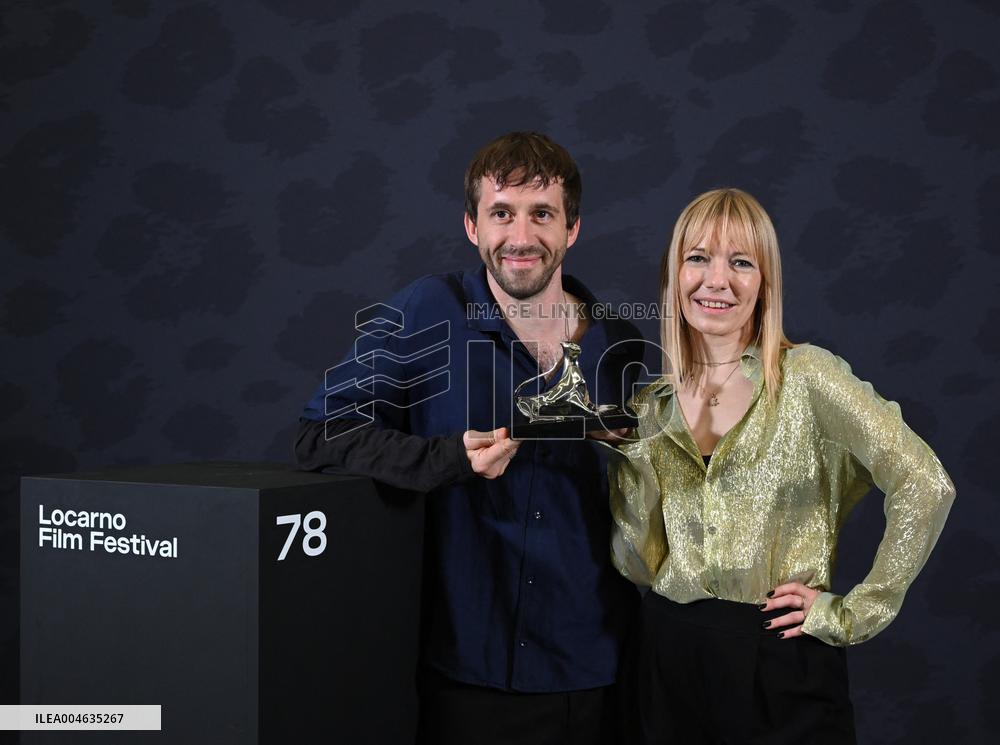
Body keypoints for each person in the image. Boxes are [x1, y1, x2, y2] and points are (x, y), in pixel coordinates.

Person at [296, 132, 644, 744]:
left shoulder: (620, 347)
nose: (521, 236)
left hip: (594, 672)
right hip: (466, 672)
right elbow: (320, 433)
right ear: (471, 226)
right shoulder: (430, 310)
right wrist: (445, 459)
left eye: (543, 214)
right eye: (501, 213)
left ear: (573, 229)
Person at [603, 188, 955, 744]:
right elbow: (639, 564)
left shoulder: (807, 377)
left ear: (765, 283)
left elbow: (925, 482)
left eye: (740, 262)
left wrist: (854, 612)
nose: (716, 280)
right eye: (698, 258)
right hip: (669, 653)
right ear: (674, 275)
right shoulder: (652, 406)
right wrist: (629, 457)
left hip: (781, 660)